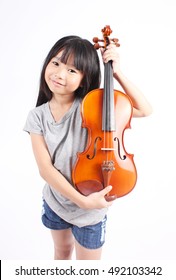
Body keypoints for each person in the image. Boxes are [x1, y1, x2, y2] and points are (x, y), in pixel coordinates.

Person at [24, 35, 152, 260]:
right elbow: (45, 169)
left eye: (72, 70)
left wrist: (117, 73)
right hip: (57, 202)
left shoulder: (91, 104)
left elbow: (144, 109)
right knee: (61, 252)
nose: (60, 74)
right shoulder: (37, 116)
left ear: (84, 79)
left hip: (91, 210)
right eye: (56, 63)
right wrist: (81, 200)